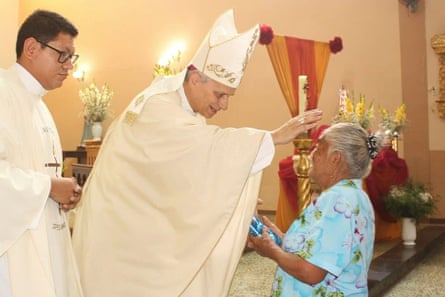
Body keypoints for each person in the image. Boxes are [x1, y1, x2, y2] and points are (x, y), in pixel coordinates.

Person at [72, 9, 322, 297]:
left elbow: (178, 172)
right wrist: (273, 137)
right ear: (194, 79)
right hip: (122, 233)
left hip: (133, 225)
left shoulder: (179, 109)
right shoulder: (159, 108)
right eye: (220, 94)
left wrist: (234, 188)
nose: (225, 105)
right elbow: (206, 147)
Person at [0, 10, 83, 297]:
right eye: (63, 54)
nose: (69, 65)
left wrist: (62, 192)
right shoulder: (2, 91)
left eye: (73, 57)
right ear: (32, 48)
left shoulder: (40, 105)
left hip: (47, 237)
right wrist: (48, 187)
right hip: (13, 253)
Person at [248, 123, 380, 297]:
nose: (311, 154)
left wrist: (272, 251)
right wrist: (279, 239)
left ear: (335, 158)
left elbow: (311, 272)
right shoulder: (355, 195)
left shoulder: (338, 200)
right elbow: (321, 250)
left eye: (319, 148)